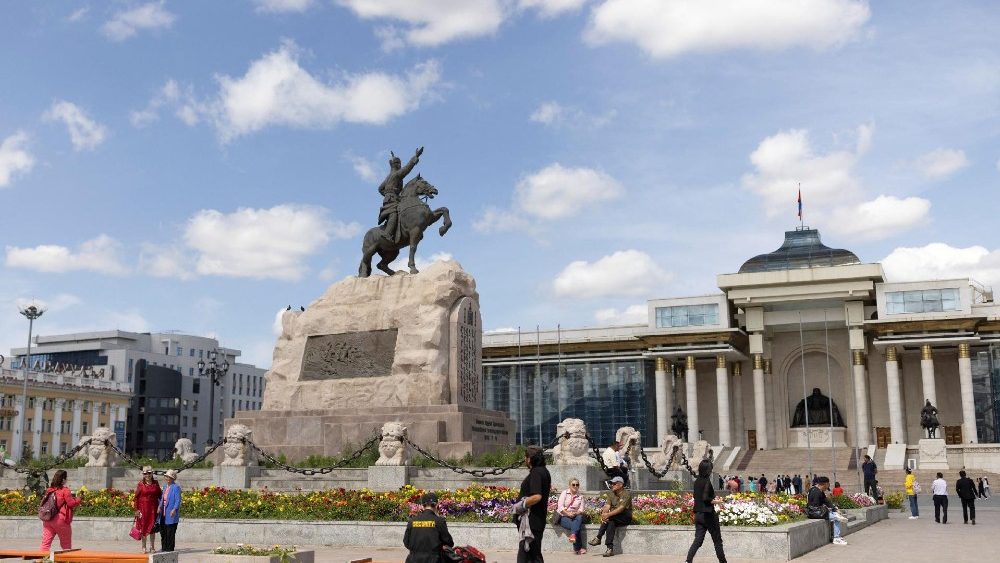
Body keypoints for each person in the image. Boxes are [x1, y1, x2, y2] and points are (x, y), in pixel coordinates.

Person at [685, 459, 728, 563]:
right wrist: (718, 502)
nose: (711, 471)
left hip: (698, 515)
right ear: (708, 470)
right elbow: (705, 498)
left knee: (698, 540)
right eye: (711, 469)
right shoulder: (707, 481)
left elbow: (696, 496)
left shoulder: (696, 481)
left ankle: (688, 561)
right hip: (708, 515)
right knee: (717, 541)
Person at [514, 446, 551, 563]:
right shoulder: (544, 471)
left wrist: (521, 504)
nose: (525, 460)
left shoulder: (536, 472)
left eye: (525, 457)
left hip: (532, 522)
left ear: (529, 459)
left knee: (529, 557)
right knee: (532, 556)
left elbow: (537, 496)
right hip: (535, 521)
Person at [588, 476, 632, 557]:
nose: (612, 485)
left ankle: (598, 537)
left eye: (614, 484)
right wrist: (604, 515)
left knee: (610, 518)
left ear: (620, 485)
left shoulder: (626, 494)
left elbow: (621, 509)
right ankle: (609, 549)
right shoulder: (611, 493)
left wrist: (607, 515)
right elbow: (607, 506)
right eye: (611, 483)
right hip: (614, 517)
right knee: (611, 522)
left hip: (625, 517)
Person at [403, 492, 454, 562]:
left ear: (422, 505)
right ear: (436, 505)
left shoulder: (412, 521)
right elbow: (449, 542)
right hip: (434, 560)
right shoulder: (439, 521)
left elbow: (406, 542)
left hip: (413, 559)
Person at [39, 469, 82, 552]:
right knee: (66, 544)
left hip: (48, 519)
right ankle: (67, 559)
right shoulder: (65, 490)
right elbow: (71, 503)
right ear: (63, 479)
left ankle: (42, 558)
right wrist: (78, 499)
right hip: (60, 520)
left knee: (45, 544)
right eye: (66, 478)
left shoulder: (49, 490)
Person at [807, 476, 849, 546]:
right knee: (837, 518)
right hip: (814, 513)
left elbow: (826, 501)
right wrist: (827, 509)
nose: (828, 487)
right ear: (824, 484)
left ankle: (836, 536)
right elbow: (814, 506)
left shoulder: (819, 491)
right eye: (828, 485)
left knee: (836, 515)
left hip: (818, 512)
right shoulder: (815, 492)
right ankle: (836, 538)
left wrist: (835, 509)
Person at [133, 466, 162, 553]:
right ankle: (143, 547)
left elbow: (160, 495)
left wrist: (160, 506)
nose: (147, 475)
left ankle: (152, 547)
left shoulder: (156, 483)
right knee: (143, 527)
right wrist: (136, 510)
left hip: (153, 509)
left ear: (152, 473)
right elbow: (136, 498)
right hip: (143, 509)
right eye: (145, 473)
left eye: (149, 473)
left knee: (152, 528)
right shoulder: (141, 484)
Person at [556, 479, 587, 555]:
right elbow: (560, 506)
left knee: (579, 518)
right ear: (569, 485)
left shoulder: (580, 496)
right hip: (564, 516)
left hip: (575, 516)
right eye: (573, 484)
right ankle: (577, 548)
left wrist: (575, 513)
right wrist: (568, 513)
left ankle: (573, 535)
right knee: (576, 526)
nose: (575, 486)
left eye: (577, 485)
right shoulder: (564, 493)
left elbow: (581, 509)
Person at [158, 469, 181, 551]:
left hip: (171, 513)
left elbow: (178, 500)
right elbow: (162, 499)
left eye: (170, 477)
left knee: (170, 532)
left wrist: (174, 509)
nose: (168, 478)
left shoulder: (176, 487)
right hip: (163, 513)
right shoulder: (165, 487)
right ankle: (164, 548)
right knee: (163, 531)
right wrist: (159, 507)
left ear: (173, 478)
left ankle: (170, 549)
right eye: (167, 477)